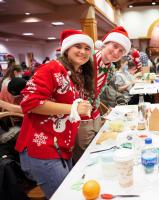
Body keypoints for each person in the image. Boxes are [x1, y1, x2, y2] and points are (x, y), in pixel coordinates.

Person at [15, 29, 94, 199]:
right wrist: (72, 108)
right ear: (66, 49)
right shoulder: (51, 68)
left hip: (60, 146)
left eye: (87, 48)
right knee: (65, 196)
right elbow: (30, 102)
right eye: (78, 46)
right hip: (42, 148)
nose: (83, 51)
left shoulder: (77, 74)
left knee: (70, 192)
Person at [74, 26, 131, 161]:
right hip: (78, 115)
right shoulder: (87, 60)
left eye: (121, 51)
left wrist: (101, 108)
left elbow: (97, 91)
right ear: (105, 44)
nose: (116, 52)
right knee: (84, 156)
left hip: (94, 113)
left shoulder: (109, 66)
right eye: (114, 46)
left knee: (96, 149)